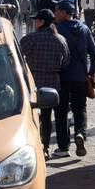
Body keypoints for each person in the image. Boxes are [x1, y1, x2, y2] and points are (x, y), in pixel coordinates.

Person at [17, 9, 69, 158]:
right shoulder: (60, 39)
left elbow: (17, 58)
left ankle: (42, 147)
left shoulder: (30, 39)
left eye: (36, 20)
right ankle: (56, 146)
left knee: (39, 118)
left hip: (35, 82)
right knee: (55, 117)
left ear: (41, 22)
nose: (34, 22)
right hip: (55, 83)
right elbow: (66, 62)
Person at [53, 0, 95, 159]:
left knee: (61, 112)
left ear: (65, 12)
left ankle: (63, 147)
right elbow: (94, 53)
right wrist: (91, 73)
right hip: (80, 77)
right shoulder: (84, 28)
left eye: (57, 10)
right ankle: (80, 134)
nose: (55, 13)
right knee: (80, 109)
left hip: (61, 77)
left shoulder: (56, 29)